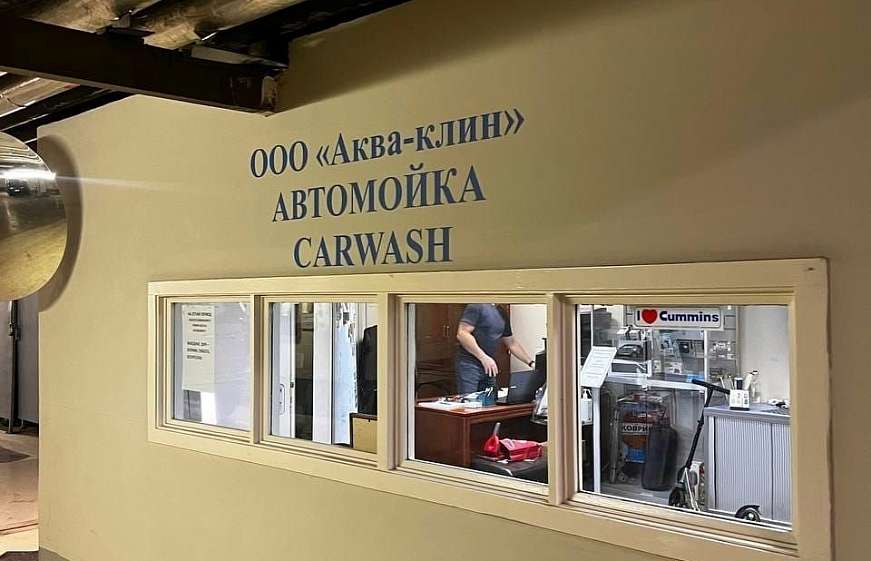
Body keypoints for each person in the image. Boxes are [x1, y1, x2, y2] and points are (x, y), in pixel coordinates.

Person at [454, 303, 535, 394]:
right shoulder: (477, 305)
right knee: (470, 399)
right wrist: (483, 357)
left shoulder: (501, 312)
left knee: (491, 399)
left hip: (488, 367)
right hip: (469, 365)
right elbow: (462, 334)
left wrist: (531, 363)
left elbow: (511, 343)